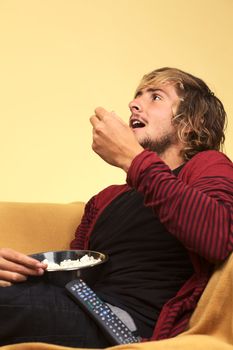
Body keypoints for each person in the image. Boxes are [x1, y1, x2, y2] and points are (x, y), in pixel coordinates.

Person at [0, 67, 233, 347]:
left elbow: (218, 237)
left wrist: (133, 160)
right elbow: (74, 274)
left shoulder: (207, 166)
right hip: (78, 306)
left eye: (155, 97)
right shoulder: (105, 199)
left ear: (190, 123)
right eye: (137, 96)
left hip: (125, 325)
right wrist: (22, 271)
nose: (133, 105)